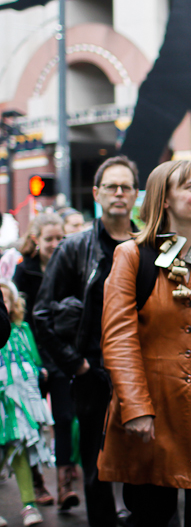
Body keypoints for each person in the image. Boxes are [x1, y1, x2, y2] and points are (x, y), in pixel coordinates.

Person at [98, 160, 191, 526]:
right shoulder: (132, 256)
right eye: (190, 187)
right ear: (164, 200)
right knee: (150, 515)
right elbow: (118, 339)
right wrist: (136, 409)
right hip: (151, 415)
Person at [33, 155, 140, 526]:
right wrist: (76, 364)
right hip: (93, 374)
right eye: (111, 186)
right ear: (96, 193)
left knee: (143, 468)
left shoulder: (150, 246)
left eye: (126, 186)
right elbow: (41, 314)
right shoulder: (74, 248)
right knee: (97, 470)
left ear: (136, 193)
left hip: (141, 374)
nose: (119, 193)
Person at [14, 213, 70, 508]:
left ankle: (64, 486)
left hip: (60, 353)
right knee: (33, 423)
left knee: (62, 417)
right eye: (49, 238)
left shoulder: (67, 265)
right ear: (36, 240)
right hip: (31, 358)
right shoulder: (24, 272)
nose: (55, 243)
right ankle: (37, 483)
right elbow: (17, 316)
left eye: (60, 238)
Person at [0, 280, 51, 526]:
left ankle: (28, 505)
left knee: (20, 448)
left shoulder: (21, 330)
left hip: (20, 405)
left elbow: (34, 357)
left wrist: (39, 372)